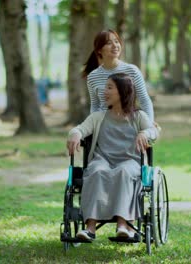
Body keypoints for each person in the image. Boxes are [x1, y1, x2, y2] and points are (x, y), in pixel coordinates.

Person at [66, 73, 159, 242]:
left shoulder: (139, 117)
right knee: (96, 170)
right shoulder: (98, 117)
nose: (104, 91)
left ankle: (123, 225)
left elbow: (154, 131)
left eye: (110, 87)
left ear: (122, 91)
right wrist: (75, 134)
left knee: (124, 172)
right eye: (105, 87)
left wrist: (145, 133)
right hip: (103, 160)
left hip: (130, 161)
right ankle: (90, 228)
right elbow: (79, 129)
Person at [83, 29, 155, 124]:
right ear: (99, 50)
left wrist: (149, 125)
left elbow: (144, 100)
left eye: (116, 41)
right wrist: (94, 126)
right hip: (105, 128)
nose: (115, 46)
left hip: (129, 125)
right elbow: (95, 105)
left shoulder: (132, 70)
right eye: (109, 43)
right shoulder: (93, 76)